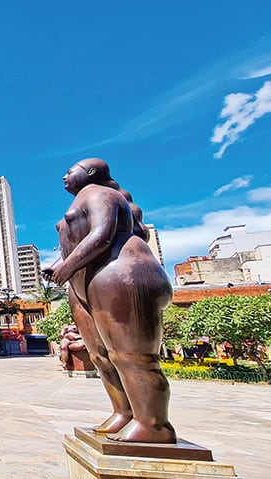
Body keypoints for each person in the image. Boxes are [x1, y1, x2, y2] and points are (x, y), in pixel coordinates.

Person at [42, 158, 176, 443]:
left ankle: (153, 424)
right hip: (86, 282)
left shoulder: (102, 194)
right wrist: (59, 266)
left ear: (90, 172)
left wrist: (66, 268)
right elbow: (77, 244)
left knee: (131, 355)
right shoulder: (83, 198)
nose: (64, 176)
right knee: (101, 355)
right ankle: (123, 412)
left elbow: (102, 236)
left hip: (117, 275)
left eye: (71, 171)